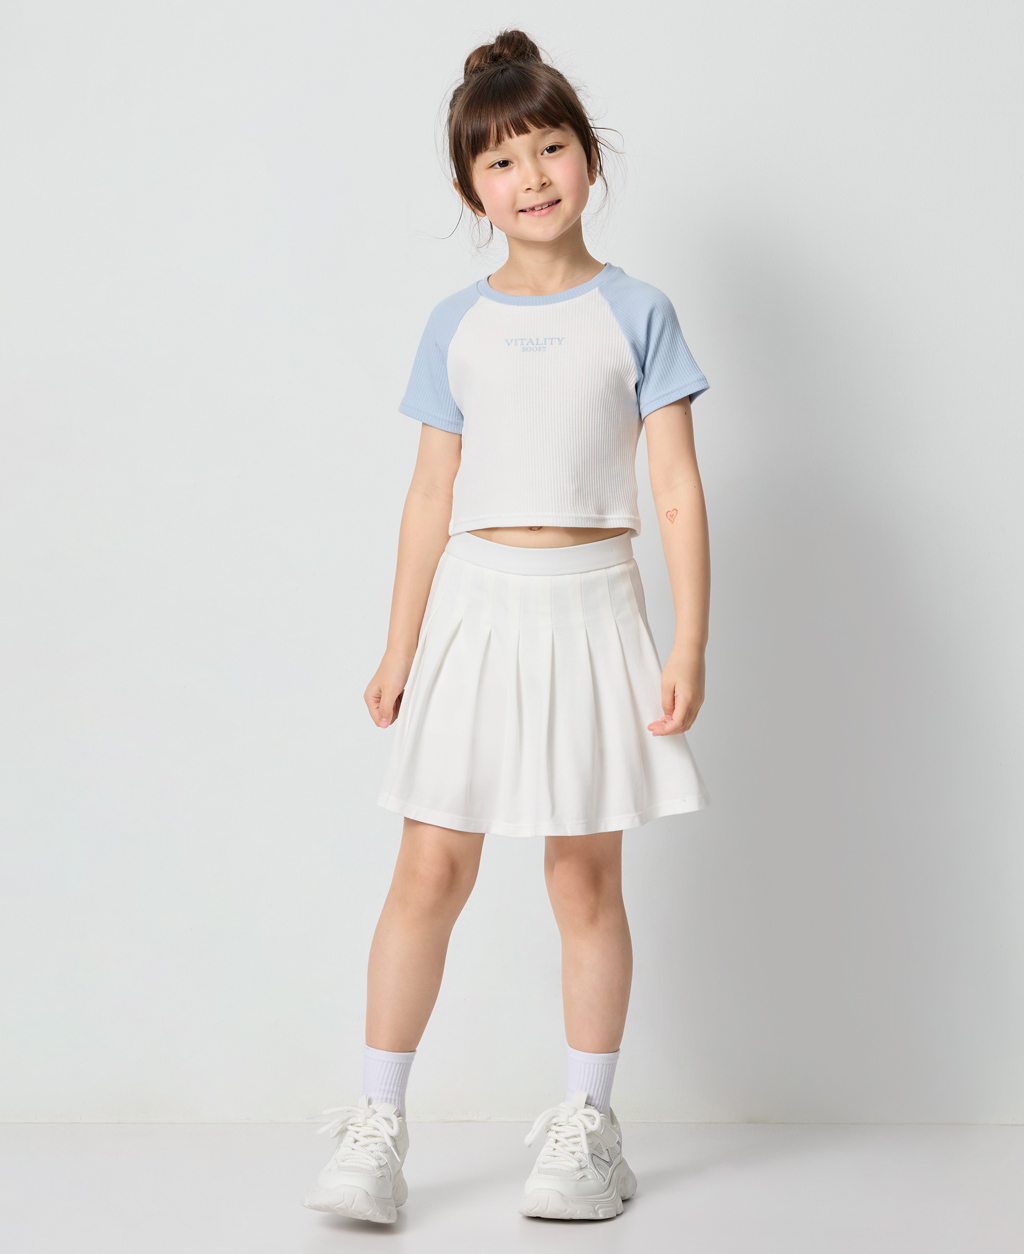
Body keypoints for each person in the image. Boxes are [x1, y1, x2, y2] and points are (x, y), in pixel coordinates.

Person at [302, 28, 712, 1225]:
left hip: (595, 611)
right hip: (477, 615)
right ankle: (377, 1126)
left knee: (583, 876)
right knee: (429, 867)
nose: (530, 177)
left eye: (549, 148)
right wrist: (398, 647)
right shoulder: (456, 323)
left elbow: (675, 488)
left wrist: (687, 644)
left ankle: (587, 1128)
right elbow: (429, 494)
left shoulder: (638, 310)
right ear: (468, 187)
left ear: (589, 157)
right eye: (500, 161)